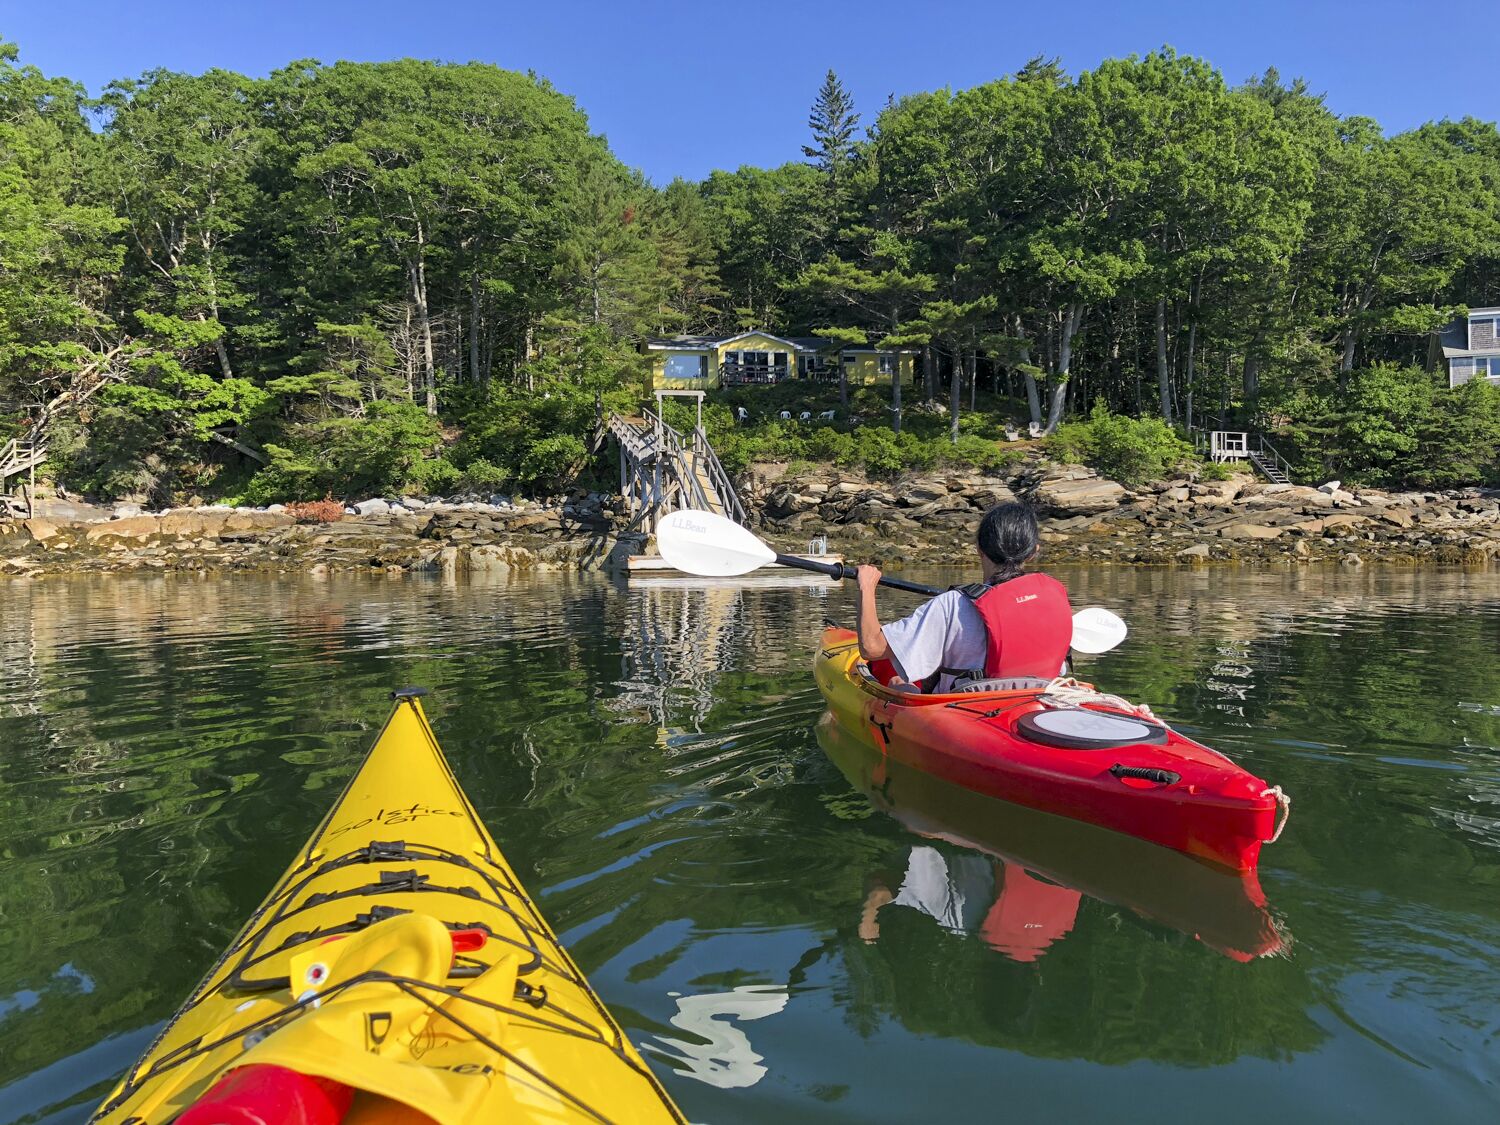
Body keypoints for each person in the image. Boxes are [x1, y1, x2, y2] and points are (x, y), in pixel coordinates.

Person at [856, 502, 1071, 693]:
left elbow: (872, 647)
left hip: (963, 709)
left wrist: (867, 586)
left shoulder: (953, 605)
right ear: (1033, 552)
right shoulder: (1055, 599)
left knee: (897, 681)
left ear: (979, 548)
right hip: (1038, 698)